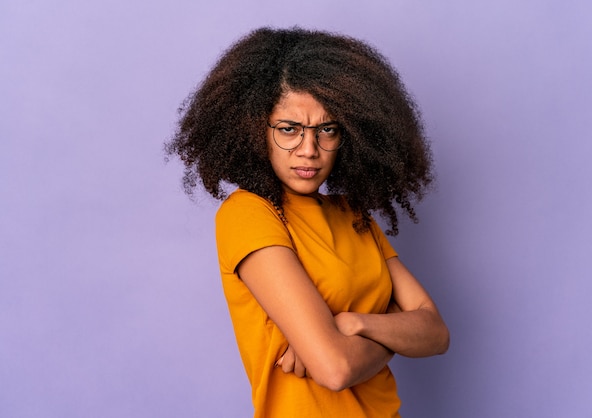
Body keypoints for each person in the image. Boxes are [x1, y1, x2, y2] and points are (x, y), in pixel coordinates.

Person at [166, 27, 449, 418]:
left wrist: (354, 324)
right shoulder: (248, 213)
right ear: (253, 130)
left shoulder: (353, 214)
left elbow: (436, 333)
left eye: (327, 130)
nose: (309, 150)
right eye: (289, 129)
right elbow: (336, 369)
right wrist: (394, 334)